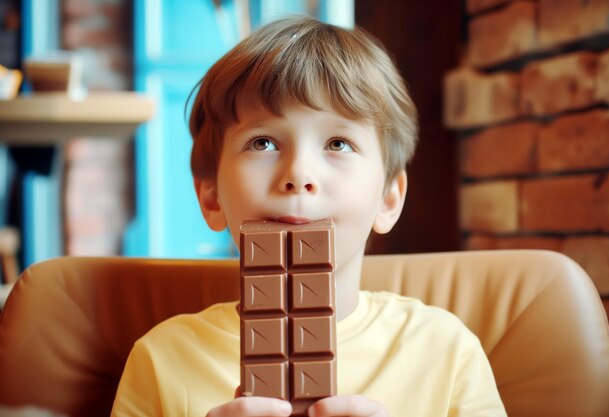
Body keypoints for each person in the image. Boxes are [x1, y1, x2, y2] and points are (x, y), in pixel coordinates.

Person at [111, 17, 507, 417]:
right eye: (262, 142)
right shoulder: (161, 360)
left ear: (388, 198)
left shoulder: (445, 350)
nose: (298, 175)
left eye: (338, 143)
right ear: (211, 196)